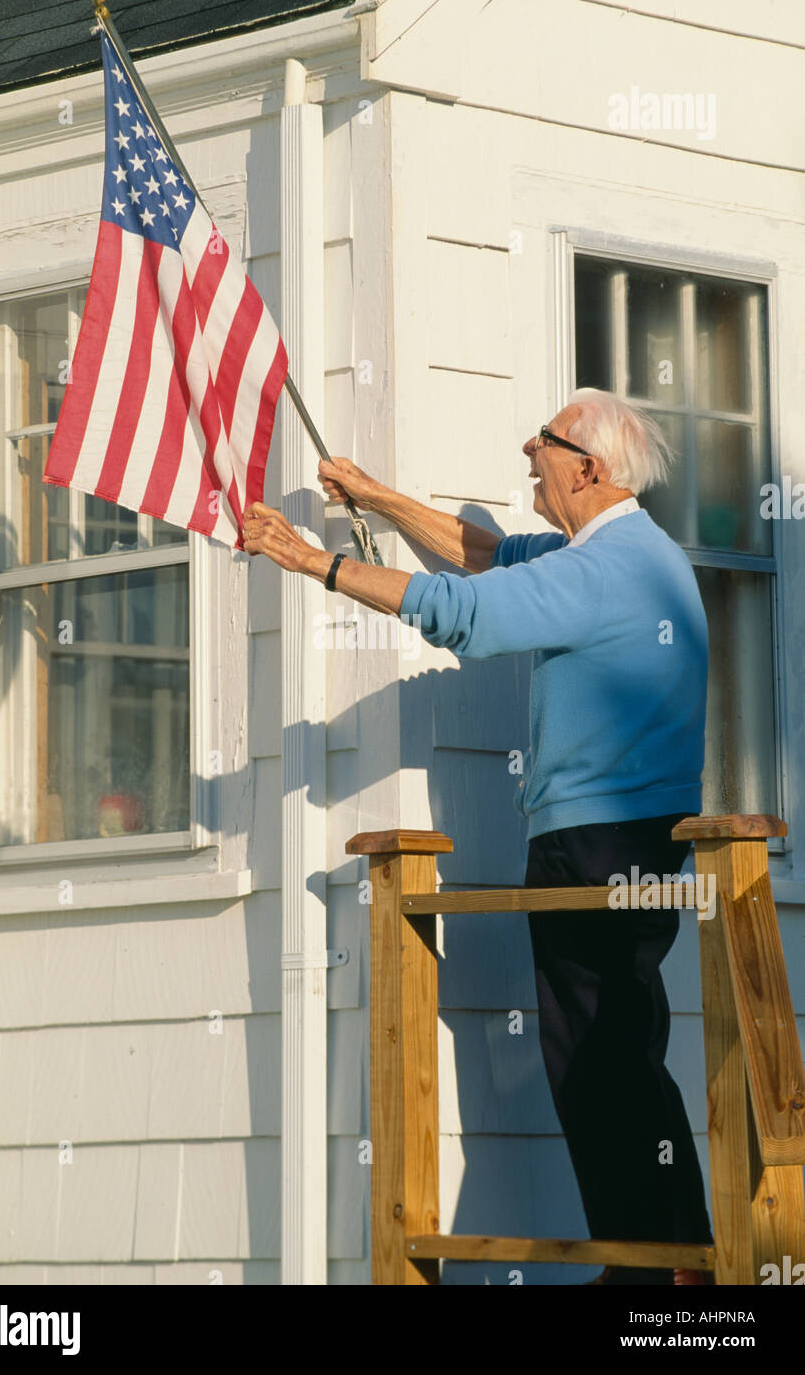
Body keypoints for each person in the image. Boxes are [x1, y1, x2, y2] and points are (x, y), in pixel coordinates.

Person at [242, 386, 714, 1285]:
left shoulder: (600, 571)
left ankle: (667, 1275)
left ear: (589, 466)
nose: (523, 452)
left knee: (598, 1059)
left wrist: (313, 563)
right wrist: (376, 498)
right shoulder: (623, 552)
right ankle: (661, 1261)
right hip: (628, 840)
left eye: (541, 441)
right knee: (616, 1051)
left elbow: (465, 610)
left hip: (599, 844)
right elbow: (488, 557)